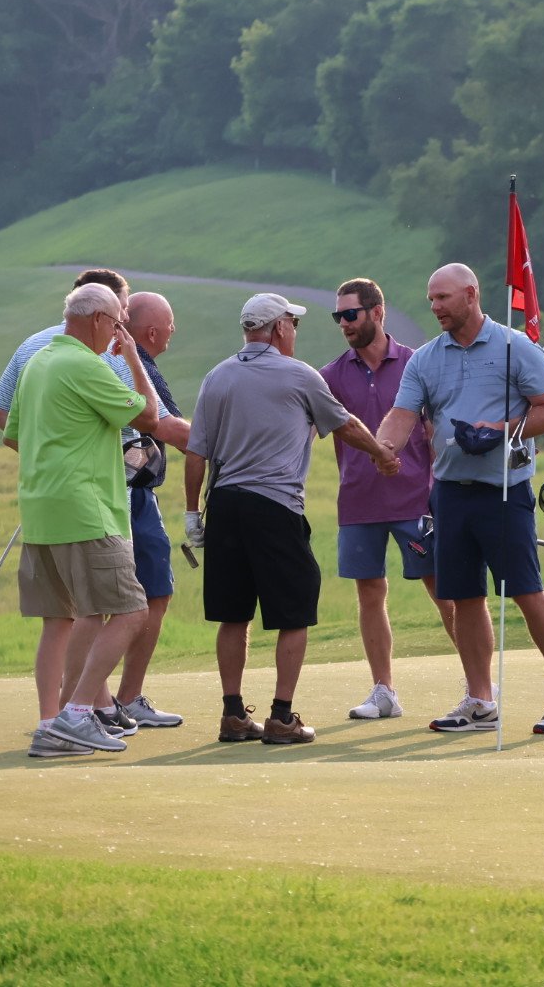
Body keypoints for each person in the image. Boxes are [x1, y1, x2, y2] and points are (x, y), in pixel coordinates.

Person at [375, 263, 544, 735]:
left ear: (471, 295)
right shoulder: (426, 358)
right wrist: (383, 448)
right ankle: (479, 701)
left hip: (504, 491)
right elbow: (401, 413)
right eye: (431, 299)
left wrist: (501, 431)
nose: (435, 308)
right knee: (463, 597)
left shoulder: (517, 348)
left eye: (443, 298)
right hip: (449, 492)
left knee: (527, 591)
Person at [183, 293, 399, 747]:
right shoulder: (299, 375)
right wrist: (382, 453)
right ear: (279, 328)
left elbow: (196, 452)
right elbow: (345, 425)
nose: (295, 333)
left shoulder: (218, 376)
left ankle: (233, 714)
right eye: (293, 325)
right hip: (275, 506)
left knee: (233, 615)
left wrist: (191, 514)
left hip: (224, 506)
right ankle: (282, 717)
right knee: (294, 612)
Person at [0, 270, 189, 737]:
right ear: (100, 319)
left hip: (42, 510)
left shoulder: (37, 359)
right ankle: (79, 713)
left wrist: (58, 453)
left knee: (61, 620)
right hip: (88, 508)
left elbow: (10, 431)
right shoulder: (86, 364)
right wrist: (134, 358)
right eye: (118, 322)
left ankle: (51, 722)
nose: (121, 332)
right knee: (130, 609)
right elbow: (149, 415)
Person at [318, 278, 456, 720]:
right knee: (370, 595)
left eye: (351, 314)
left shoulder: (418, 364)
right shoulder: (331, 376)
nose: (344, 324)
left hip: (417, 499)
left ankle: (479, 682)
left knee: (445, 593)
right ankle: (384, 692)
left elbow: (439, 431)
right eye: (338, 316)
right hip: (359, 503)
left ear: (378, 313)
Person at [110, 291, 189, 728]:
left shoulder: (113, 356)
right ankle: (121, 698)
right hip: (132, 495)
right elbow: (170, 427)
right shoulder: (134, 362)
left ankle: (95, 699)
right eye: (171, 323)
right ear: (154, 331)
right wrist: (229, 444)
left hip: (114, 494)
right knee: (153, 594)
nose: (174, 331)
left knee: (106, 602)